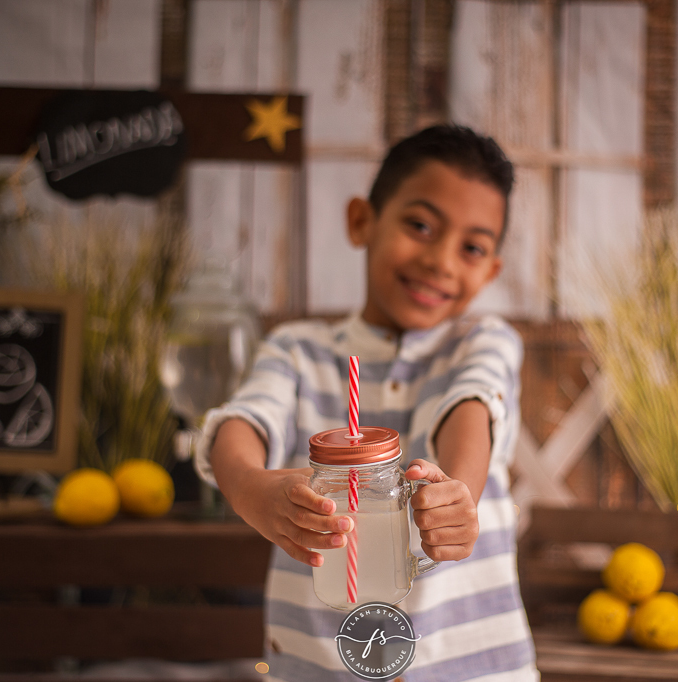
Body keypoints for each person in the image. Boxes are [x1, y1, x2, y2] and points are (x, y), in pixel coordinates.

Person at [195, 124, 538, 681]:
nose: (442, 262)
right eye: (420, 225)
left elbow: (470, 409)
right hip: (318, 667)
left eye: (471, 247)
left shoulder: (484, 342)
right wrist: (250, 488)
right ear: (362, 221)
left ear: (491, 270)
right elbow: (243, 423)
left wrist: (458, 493)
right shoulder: (297, 349)